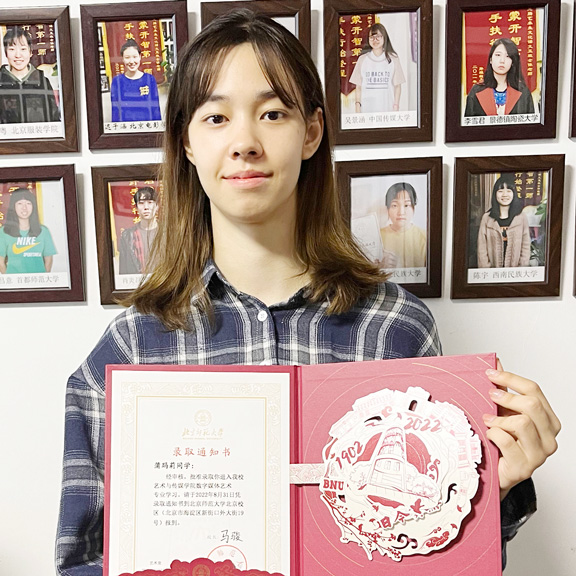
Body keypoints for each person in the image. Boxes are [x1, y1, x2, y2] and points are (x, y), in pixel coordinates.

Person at [56, 10, 560, 575]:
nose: (245, 142)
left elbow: (440, 557)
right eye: (216, 117)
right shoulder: (129, 350)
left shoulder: (397, 328)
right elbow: (80, 561)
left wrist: (493, 485)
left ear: (312, 132)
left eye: (272, 114)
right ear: (187, 143)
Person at [0, 27, 61, 124]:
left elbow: (54, 118)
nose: (18, 55)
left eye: (23, 49)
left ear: (30, 52)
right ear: (6, 53)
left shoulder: (43, 82)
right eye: (12, 49)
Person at [464, 38, 535, 117]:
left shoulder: (523, 92)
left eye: (508, 56)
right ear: (491, 60)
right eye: (498, 55)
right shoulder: (476, 91)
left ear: (513, 62)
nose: (502, 60)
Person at [349, 23, 405, 114]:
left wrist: (396, 107)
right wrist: (357, 108)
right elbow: (358, 87)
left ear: (384, 37)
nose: (375, 40)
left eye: (378, 36)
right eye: (372, 37)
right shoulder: (362, 59)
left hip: (388, 110)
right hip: (366, 111)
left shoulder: (393, 59)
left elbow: (397, 86)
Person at [477, 175, 531, 268]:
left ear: (514, 193)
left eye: (509, 191)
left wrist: (521, 269)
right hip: (492, 273)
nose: (505, 195)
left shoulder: (521, 217)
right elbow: (482, 248)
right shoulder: (487, 218)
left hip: (515, 273)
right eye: (500, 191)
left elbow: (525, 246)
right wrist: (486, 270)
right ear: (495, 194)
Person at [0, 187, 56, 273]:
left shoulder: (43, 231)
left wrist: (43, 279)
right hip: (15, 280)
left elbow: (48, 260)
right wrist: (9, 279)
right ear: (13, 206)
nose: (24, 208)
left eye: (28, 203)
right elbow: (1, 262)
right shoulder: (4, 232)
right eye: (20, 203)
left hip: (38, 280)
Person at [110, 38, 162, 123]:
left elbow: (156, 110)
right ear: (122, 59)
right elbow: (115, 112)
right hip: (125, 129)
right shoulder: (117, 81)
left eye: (135, 57)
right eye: (127, 57)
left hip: (147, 128)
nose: (131, 61)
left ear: (140, 57)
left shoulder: (149, 79)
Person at [379, 182, 426, 268]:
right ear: (387, 209)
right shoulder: (377, 236)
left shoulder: (425, 237)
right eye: (394, 205)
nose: (401, 212)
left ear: (413, 208)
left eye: (406, 205)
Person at [118, 186, 159, 274]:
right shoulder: (127, 236)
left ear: (157, 206)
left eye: (150, 202)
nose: (146, 207)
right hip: (137, 282)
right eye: (141, 203)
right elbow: (123, 271)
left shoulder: (168, 234)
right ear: (136, 208)